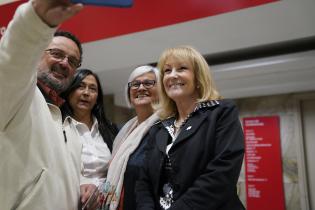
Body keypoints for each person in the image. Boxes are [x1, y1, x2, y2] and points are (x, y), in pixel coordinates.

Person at [136, 46, 245, 210]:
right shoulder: (158, 126)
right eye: (167, 70)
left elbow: (221, 175)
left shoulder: (221, 112)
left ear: (198, 77)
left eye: (182, 68)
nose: (172, 75)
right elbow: (144, 179)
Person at [0, 1, 83, 210]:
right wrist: (36, 21)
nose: (64, 63)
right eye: (56, 53)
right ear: (38, 52)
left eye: (73, 61)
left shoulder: (70, 124)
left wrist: (83, 184)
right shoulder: (17, 95)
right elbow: (12, 63)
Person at [96, 65, 160, 210]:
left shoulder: (166, 127)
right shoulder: (123, 131)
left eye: (149, 83)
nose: (141, 88)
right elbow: (112, 171)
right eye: (135, 84)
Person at [60, 69, 118, 205]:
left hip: (107, 204)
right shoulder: (58, 126)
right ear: (69, 91)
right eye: (80, 86)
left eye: (92, 89)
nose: (86, 93)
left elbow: (112, 175)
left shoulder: (109, 129)